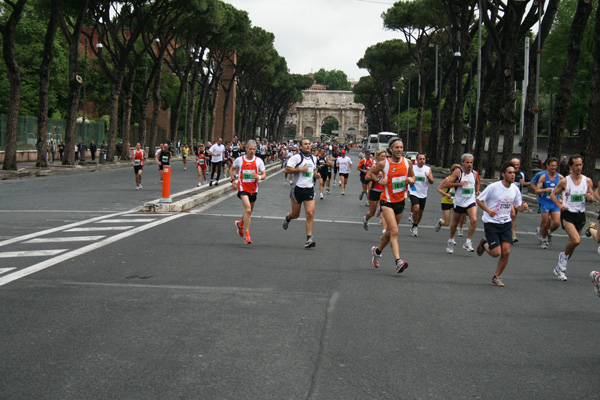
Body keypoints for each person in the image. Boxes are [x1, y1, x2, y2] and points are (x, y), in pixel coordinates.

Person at [475, 161, 530, 287]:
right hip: (491, 223)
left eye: (514, 173)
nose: (513, 175)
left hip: (506, 223)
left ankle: (497, 276)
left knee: (506, 251)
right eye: (510, 173)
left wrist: (523, 207)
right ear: (503, 174)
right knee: (496, 253)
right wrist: (488, 210)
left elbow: (518, 206)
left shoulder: (515, 189)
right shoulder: (493, 187)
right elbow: (479, 200)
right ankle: (484, 244)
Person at [367, 138, 415, 273]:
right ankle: (398, 261)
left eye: (401, 147)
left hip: (400, 201)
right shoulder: (384, 163)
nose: (399, 150)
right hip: (386, 201)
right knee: (394, 231)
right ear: (390, 150)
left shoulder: (407, 163)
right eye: (396, 147)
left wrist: (411, 180)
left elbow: (413, 176)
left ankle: (377, 251)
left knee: (388, 233)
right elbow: (370, 173)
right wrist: (378, 180)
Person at [550, 154, 594, 281]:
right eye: (576, 165)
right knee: (576, 240)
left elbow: (590, 198)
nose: (579, 167)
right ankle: (562, 261)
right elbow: (553, 194)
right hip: (568, 214)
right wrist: (559, 205)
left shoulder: (587, 181)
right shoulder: (565, 181)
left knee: (573, 244)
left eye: (580, 165)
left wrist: (590, 198)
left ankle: (560, 267)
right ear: (571, 166)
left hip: (580, 214)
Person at [283, 138, 320, 248]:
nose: (308, 146)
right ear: (301, 146)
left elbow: (313, 171)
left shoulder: (314, 158)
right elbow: (287, 170)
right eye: (305, 144)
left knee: (310, 213)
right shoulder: (296, 158)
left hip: (309, 189)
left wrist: (316, 175)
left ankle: (309, 239)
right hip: (297, 189)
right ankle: (288, 218)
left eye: (309, 144)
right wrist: (300, 170)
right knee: (296, 214)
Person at [440, 153, 480, 254]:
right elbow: (447, 183)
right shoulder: (458, 172)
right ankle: (450, 240)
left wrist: (477, 191)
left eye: (471, 162)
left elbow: (478, 182)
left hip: (470, 200)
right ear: (462, 163)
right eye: (467, 162)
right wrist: (459, 184)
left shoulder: (475, 173)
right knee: (455, 223)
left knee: (474, 219)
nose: (469, 165)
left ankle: (468, 241)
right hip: (459, 201)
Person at [231, 140, 266, 245]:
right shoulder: (239, 160)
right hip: (242, 188)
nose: (252, 151)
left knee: (248, 212)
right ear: (246, 149)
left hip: (253, 189)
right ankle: (247, 235)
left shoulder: (259, 161)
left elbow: (264, 175)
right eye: (250, 149)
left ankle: (240, 223)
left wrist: (258, 176)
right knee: (248, 210)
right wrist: (233, 181)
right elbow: (232, 168)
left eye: (254, 149)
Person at [535, 157, 562, 249]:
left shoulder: (560, 177)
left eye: (555, 166)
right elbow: (537, 191)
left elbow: (566, 190)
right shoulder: (544, 177)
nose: (554, 168)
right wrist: (544, 190)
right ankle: (543, 239)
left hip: (555, 203)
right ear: (547, 166)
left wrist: (562, 198)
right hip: (545, 202)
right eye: (552, 166)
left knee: (557, 223)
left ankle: (548, 233)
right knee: (545, 223)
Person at [434, 164, 465, 238]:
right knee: (447, 222)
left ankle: (453, 237)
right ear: (452, 171)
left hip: (456, 202)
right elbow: (439, 188)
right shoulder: (447, 179)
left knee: (456, 220)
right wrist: (446, 194)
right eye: (456, 171)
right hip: (446, 201)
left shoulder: (461, 181)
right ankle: (441, 222)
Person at [408, 153, 434, 237]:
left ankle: (415, 225)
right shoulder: (412, 168)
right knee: (416, 209)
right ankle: (415, 225)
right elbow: (408, 178)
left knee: (420, 212)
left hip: (423, 193)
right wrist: (407, 190)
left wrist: (429, 176)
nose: (422, 160)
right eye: (420, 159)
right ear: (417, 160)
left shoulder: (427, 169)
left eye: (423, 159)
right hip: (413, 191)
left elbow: (432, 182)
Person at [363, 150, 387, 231]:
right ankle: (365, 219)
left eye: (385, 156)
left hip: (384, 191)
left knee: (384, 212)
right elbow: (366, 177)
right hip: (374, 190)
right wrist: (377, 177)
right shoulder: (374, 166)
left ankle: (384, 231)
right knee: (372, 213)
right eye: (382, 156)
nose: (383, 158)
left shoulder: (387, 166)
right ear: (377, 157)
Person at [509, 158, 531, 243]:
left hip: (517, 199)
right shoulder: (507, 173)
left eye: (517, 164)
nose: (516, 166)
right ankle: (512, 234)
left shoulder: (522, 174)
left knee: (513, 217)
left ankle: (511, 233)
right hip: (508, 198)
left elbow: (530, 182)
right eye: (514, 164)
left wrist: (525, 183)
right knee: (512, 215)